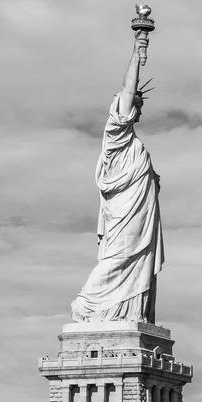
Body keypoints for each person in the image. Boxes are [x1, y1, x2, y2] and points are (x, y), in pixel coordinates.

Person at [71, 31, 164, 323]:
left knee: (136, 260)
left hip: (139, 212)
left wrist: (153, 180)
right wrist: (138, 51)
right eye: (133, 102)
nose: (136, 107)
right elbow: (127, 89)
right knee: (118, 257)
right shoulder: (117, 134)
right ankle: (89, 304)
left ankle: (129, 312)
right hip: (125, 212)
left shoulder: (133, 143)